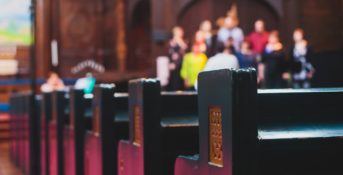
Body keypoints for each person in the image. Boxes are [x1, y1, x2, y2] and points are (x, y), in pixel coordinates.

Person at [167, 26, 188, 90]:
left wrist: (179, 41)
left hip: (182, 64)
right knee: (174, 81)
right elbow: (170, 53)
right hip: (173, 65)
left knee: (180, 81)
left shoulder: (183, 41)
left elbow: (185, 49)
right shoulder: (171, 42)